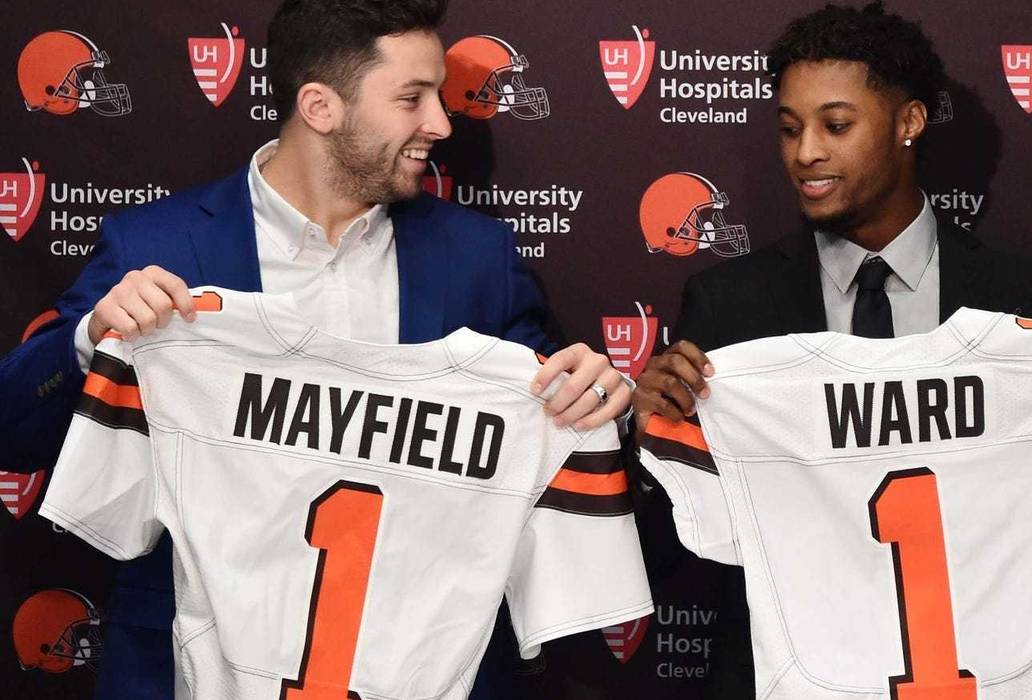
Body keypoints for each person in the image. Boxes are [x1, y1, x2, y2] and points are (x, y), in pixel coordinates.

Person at [0, 1, 628, 698]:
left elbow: (545, 407)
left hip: (419, 664)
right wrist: (91, 346)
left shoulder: (475, 257)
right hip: (199, 669)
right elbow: (13, 432)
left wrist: (594, 395)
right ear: (320, 106)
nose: (441, 125)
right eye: (412, 98)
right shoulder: (157, 245)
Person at [630, 3, 1032, 697]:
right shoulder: (728, 303)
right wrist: (650, 440)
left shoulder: (1024, 293)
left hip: (989, 677)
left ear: (909, 123)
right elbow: (669, 554)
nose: (805, 153)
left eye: (835, 126)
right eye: (789, 128)